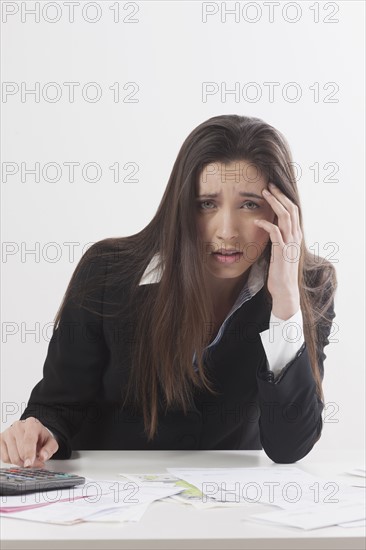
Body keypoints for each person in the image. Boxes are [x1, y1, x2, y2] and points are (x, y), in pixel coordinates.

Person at [0, 114, 337, 468]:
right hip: (110, 500)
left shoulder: (309, 288)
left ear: (283, 212)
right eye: (207, 203)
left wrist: (284, 301)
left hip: (224, 509)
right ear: (182, 206)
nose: (226, 230)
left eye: (249, 204)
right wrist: (42, 431)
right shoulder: (107, 270)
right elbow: (57, 408)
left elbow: (289, 446)